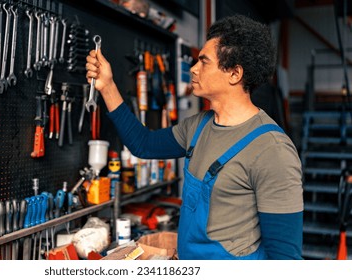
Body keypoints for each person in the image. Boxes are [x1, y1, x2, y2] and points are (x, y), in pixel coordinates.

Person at [86, 15, 303, 260]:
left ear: (234, 73)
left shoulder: (272, 150)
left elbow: (285, 259)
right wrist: (107, 85)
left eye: (204, 62)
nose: (193, 69)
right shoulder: (198, 127)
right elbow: (143, 144)